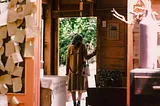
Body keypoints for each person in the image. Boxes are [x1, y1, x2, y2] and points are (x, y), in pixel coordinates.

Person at [66, 34, 96, 106]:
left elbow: (67, 60)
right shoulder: (83, 46)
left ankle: (74, 103)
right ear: (81, 40)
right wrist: (94, 52)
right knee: (80, 87)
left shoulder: (70, 47)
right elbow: (86, 57)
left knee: (72, 88)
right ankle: (79, 102)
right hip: (81, 71)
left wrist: (67, 72)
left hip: (71, 71)